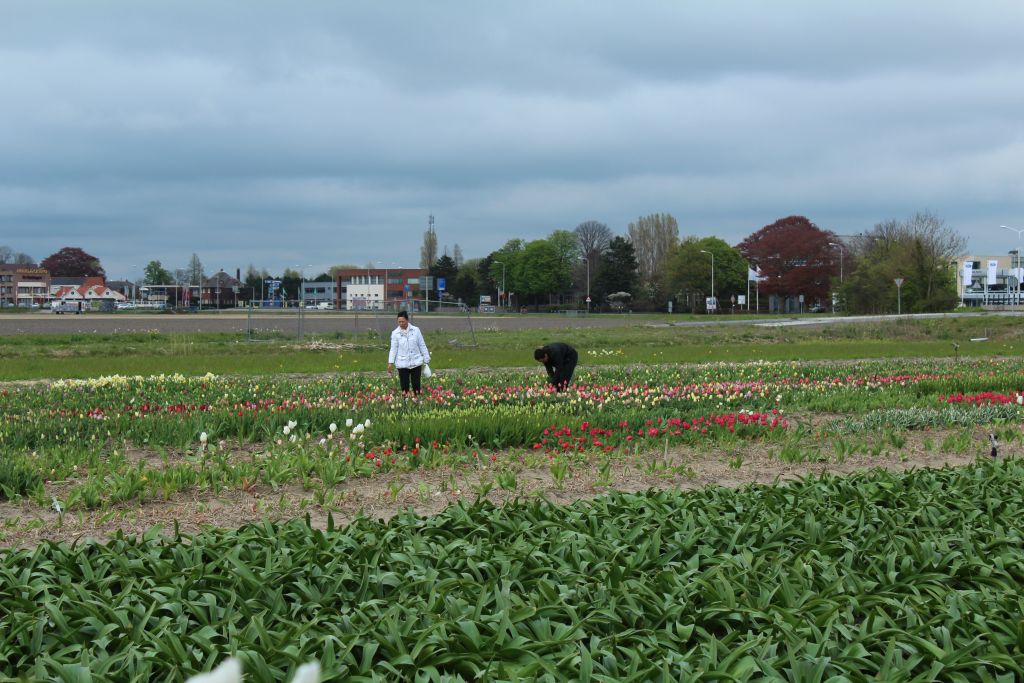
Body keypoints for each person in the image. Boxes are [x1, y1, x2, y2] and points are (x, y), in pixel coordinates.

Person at [387, 311, 431, 395]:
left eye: (403, 321)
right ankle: (406, 403)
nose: (401, 323)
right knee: (404, 386)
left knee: (416, 385)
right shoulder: (395, 333)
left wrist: (426, 358)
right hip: (402, 364)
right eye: (399, 322)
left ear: (407, 320)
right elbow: (393, 349)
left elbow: (422, 345)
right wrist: (390, 362)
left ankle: (417, 402)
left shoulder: (416, 330)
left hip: (416, 362)